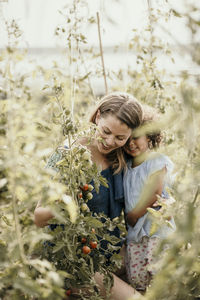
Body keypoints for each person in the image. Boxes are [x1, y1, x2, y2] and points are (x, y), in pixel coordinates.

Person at [34, 91, 144, 300]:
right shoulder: (69, 156)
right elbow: (38, 217)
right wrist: (67, 203)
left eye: (120, 137)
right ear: (97, 117)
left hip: (109, 253)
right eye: (106, 131)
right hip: (77, 262)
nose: (110, 141)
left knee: (157, 272)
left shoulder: (121, 155)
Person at [123, 106, 176, 292]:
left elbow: (155, 194)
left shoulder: (155, 161)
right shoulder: (127, 167)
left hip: (156, 230)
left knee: (160, 276)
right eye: (127, 139)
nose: (131, 144)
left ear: (149, 136)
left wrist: (134, 215)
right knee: (138, 279)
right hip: (135, 234)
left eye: (136, 137)